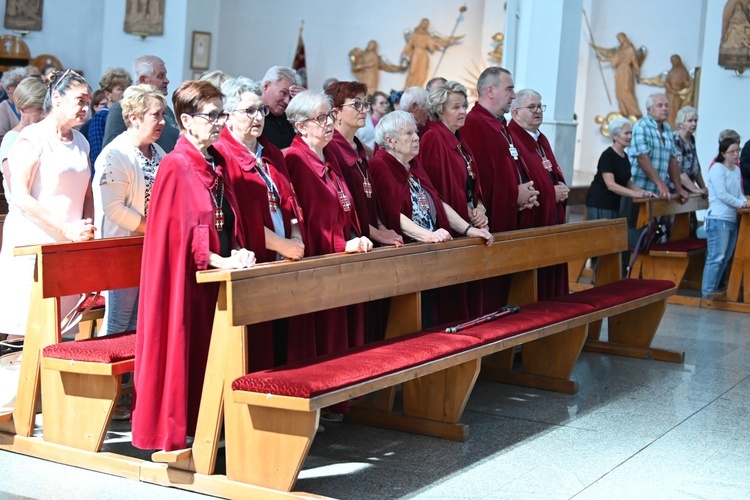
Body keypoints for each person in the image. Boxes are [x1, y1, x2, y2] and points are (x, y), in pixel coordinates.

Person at [132, 80, 255, 452]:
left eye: (223, 114)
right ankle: (181, 429)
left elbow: (225, 217)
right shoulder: (175, 164)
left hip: (214, 276)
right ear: (186, 120)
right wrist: (220, 258)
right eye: (212, 115)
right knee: (185, 348)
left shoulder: (214, 160)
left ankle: (211, 422)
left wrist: (240, 250)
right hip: (184, 283)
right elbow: (178, 234)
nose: (220, 122)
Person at [213, 76, 304, 370]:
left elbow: (290, 202)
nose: (257, 117)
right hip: (253, 263)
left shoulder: (272, 152)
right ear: (226, 116)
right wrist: (284, 245)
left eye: (259, 111)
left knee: (283, 344)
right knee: (256, 352)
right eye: (248, 111)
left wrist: (296, 236)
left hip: (285, 259)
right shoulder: (221, 157)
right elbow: (240, 219)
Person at [370, 110, 492, 326]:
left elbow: (438, 202)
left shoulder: (413, 164)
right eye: (409, 134)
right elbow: (392, 214)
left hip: (430, 249)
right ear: (390, 141)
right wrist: (428, 235)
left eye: (415, 132)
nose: (417, 137)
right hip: (408, 255)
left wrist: (468, 229)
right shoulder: (380, 165)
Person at [0, 69, 96, 338]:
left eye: (88, 101)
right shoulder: (32, 138)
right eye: (80, 100)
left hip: (69, 244)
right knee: (27, 333)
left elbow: (86, 193)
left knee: (61, 332)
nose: (85, 108)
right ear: (56, 98)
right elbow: (20, 195)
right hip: (35, 241)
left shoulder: (81, 141)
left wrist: (87, 227)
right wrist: (65, 228)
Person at [283, 90, 373, 364]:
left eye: (330, 116)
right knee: (323, 341)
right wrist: (341, 244)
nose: (329, 123)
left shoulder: (327, 156)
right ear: (300, 126)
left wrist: (357, 236)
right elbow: (303, 219)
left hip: (345, 256)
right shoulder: (294, 159)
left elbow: (344, 207)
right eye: (321, 118)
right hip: (320, 263)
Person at [325, 81, 403, 344]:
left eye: (365, 103)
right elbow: (343, 208)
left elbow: (370, 197)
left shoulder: (358, 146)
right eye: (356, 104)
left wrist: (381, 228)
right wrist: (375, 233)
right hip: (352, 242)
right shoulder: (332, 148)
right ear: (335, 113)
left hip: (369, 238)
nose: (363, 110)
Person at [461, 67, 540, 311]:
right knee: (488, 295)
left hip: (509, 214)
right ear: (490, 90)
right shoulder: (474, 122)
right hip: (490, 222)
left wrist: (520, 196)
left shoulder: (498, 123)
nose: (514, 95)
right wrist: (515, 195)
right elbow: (479, 178)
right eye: (509, 89)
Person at [93, 84, 167, 336]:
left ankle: (132, 376)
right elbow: (114, 209)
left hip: (149, 247)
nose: (163, 121)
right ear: (134, 118)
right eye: (156, 115)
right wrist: (155, 229)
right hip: (121, 248)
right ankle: (105, 376)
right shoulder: (116, 153)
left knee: (140, 321)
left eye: (163, 114)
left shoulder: (158, 152)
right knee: (118, 320)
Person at [420, 81, 489, 315]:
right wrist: (467, 216)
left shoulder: (458, 139)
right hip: (452, 227)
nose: (463, 111)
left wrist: (479, 207)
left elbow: (471, 181)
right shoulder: (433, 138)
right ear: (440, 111)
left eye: (464, 106)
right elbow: (435, 189)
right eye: (456, 107)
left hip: (468, 220)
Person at [509, 88, 570, 299]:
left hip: (552, 214)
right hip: (531, 216)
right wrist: (550, 193)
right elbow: (519, 182)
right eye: (531, 107)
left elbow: (551, 170)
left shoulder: (540, 139)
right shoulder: (512, 139)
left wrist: (560, 187)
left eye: (540, 106)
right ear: (515, 113)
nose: (538, 111)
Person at [701, 137, 750, 299]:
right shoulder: (717, 169)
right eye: (732, 152)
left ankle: (714, 290)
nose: (736, 154)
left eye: (738, 151)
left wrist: (745, 201)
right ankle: (707, 293)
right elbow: (722, 195)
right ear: (723, 153)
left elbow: (738, 193)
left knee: (726, 257)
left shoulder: (736, 170)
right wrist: (742, 204)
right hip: (718, 218)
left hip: (730, 218)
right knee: (716, 257)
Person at [102, 55, 179, 153]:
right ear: (143, 80)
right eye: (160, 76)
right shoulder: (121, 109)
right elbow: (111, 153)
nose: (166, 80)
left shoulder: (167, 110)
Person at [586, 117, 654, 221]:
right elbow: (611, 185)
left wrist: (643, 192)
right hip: (600, 203)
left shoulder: (624, 156)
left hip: (614, 204)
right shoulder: (607, 155)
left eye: (631, 133)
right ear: (615, 136)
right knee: (603, 236)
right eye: (626, 133)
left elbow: (626, 181)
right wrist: (635, 194)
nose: (630, 136)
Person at [628, 93, 688, 201]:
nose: (665, 108)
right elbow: (642, 158)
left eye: (666, 105)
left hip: (659, 192)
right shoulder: (641, 126)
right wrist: (660, 184)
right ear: (649, 110)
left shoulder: (668, 128)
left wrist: (679, 188)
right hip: (639, 191)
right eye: (660, 106)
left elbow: (672, 160)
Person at [0, 77, 46, 204]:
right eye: (39, 109)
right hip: (23, 215)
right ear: (22, 109)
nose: (44, 115)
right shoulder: (11, 139)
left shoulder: (45, 135)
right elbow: (15, 189)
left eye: (46, 109)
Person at [87, 67, 133, 166]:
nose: (126, 93)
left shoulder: (131, 115)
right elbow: (97, 151)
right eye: (120, 89)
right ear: (108, 94)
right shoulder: (101, 117)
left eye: (127, 88)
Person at [593, 32, 642, 118]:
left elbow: (634, 61)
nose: (620, 40)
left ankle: (634, 112)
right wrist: (602, 60)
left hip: (626, 70)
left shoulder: (630, 49)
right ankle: (624, 111)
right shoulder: (619, 50)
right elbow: (614, 58)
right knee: (620, 91)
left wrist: (637, 72)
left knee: (627, 90)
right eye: (618, 39)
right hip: (620, 71)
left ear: (625, 37)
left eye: (621, 38)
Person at [260, 66, 304, 151]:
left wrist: (307, 101)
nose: (287, 101)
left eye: (291, 97)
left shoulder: (290, 119)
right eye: (283, 93)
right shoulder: (253, 118)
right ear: (266, 86)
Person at [672, 106, 707, 197]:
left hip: (689, 189)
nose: (694, 124)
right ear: (681, 124)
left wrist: (703, 188)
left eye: (695, 121)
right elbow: (678, 170)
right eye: (690, 121)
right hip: (675, 190)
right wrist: (695, 189)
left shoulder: (691, 139)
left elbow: (696, 166)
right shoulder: (675, 139)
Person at [402, 18, 437, 89]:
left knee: (422, 73)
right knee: (412, 71)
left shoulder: (427, 35)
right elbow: (409, 44)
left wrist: (435, 43)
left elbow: (431, 48)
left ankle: (418, 88)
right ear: (421, 23)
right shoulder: (415, 33)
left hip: (423, 55)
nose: (425, 24)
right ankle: (408, 87)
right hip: (416, 53)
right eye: (424, 23)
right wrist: (405, 53)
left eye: (426, 24)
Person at [355, 90, 389, 156]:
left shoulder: (388, 123)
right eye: (381, 103)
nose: (385, 105)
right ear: (373, 106)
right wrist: (372, 153)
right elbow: (356, 140)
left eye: (386, 103)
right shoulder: (363, 120)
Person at [0, 67, 28, 144]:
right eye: (19, 84)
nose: (23, 88)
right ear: (9, 88)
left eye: (25, 84)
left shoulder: (28, 106)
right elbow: (1, 138)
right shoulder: (3, 108)